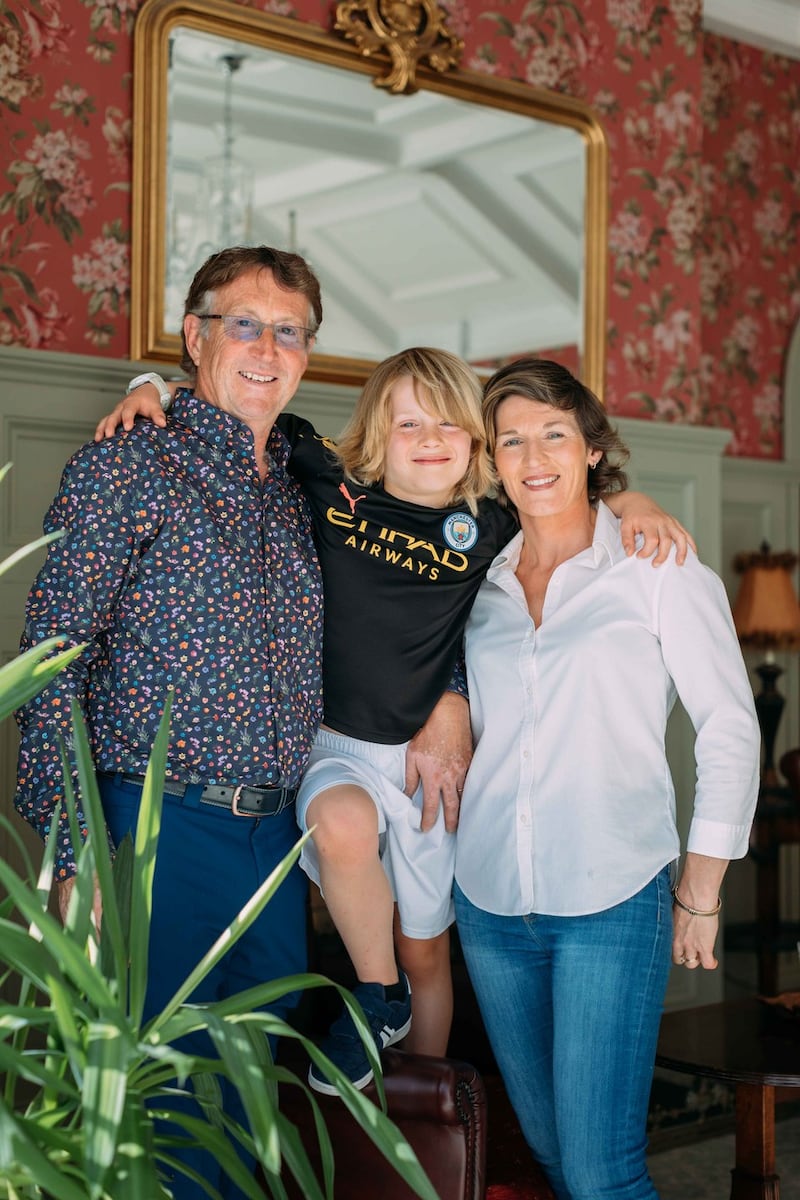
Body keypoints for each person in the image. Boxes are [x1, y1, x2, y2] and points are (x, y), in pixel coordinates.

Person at [99, 344, 694, 1101]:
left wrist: (630, 502)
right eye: (407, 422)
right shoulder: (329, 479)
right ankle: (376, 996)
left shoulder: (491, 521)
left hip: (426, 766)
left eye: (449, 423)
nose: (428, 439)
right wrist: (148, 384)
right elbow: (230, 411)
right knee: (339, 827)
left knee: (427, 953)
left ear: (477, 440)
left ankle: (417, 1106)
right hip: (336, 744)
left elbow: (567, 496)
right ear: (377, 430)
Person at [14, 247, 464, 1198]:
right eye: (244, 324)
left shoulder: (311, 479)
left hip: (274, 837)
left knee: (251, 1113)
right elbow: (51, 657)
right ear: (195, 336)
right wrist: (67, 854)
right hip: (149, 829)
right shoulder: (130, 461)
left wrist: (451, 695)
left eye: (290, 330)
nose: (267, 347)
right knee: (160, 1114)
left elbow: (410, 596)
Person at [452, 357, 761, 1200]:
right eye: (511, 439)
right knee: (551, 1152)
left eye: (554, 432)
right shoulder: (476, 580)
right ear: (491, 458)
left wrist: (702, 886)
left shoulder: (657, 565)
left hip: (611, 898)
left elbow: (730, 723)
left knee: (600, 1171)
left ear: (592, 448)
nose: (533, 455)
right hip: (487, 900)